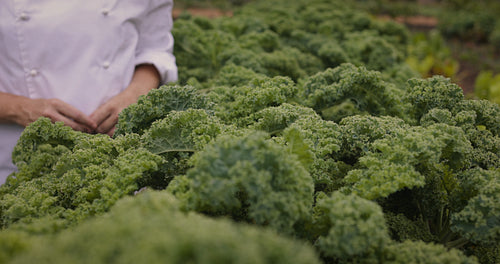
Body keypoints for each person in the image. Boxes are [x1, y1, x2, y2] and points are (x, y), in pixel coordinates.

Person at [0, 1, 178, 184]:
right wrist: (18, 108)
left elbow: (154, 47)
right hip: (15, 160)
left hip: (118, 151)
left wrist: (135, 94)